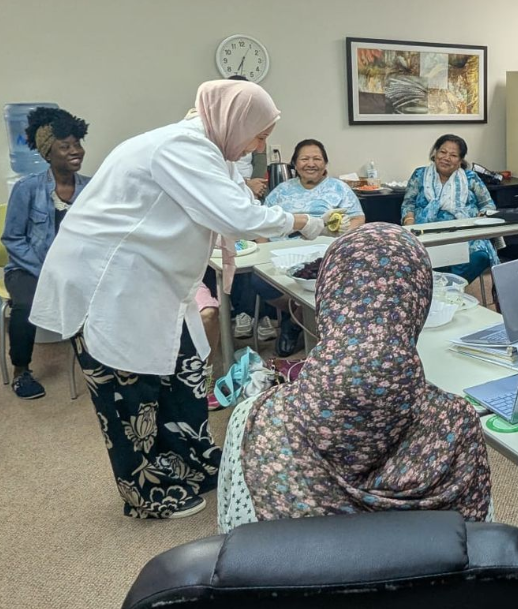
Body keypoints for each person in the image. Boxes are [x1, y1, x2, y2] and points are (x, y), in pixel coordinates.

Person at [30, 80, 326, 519]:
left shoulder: (210, 151)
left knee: (185, 371)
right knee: (128, 392)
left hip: (154, 282)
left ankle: (194, 462)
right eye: (259, 133)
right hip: (109, 284)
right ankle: (148, 494)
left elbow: (234, 198)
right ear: (234, 121)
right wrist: (301, 220)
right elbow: (237, 216)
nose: (260, 145)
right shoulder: (180, 146)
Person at [218, 224, 491, 533]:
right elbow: (482, 543)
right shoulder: (458, 423)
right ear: (419, 302)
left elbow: (233, 547)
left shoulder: (254, 421)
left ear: (326, 297)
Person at [2, 107, 91, 399]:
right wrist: (46, 270)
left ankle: (104, 362)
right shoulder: (27, 189)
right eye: (65, 146)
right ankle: (21, 370)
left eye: (77, 143)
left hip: (75, 268)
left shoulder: (91, 188)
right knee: (26, 304)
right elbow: (12, 238)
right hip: (29, 268)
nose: (75, 151)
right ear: (47, 153)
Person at [250, 138, 365, 356]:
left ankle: (294, 323)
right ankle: (298, 314)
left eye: (316, 159)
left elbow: (358, 219)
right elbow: (262, 224)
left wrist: (343, 234)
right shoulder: (281, 191)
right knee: (259, 280)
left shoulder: (339, 188)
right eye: (304, 158)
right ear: (294, 163)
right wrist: (262, 253)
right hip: (283, 253)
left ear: (325, 163)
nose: (310, 163)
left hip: (326, 253)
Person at [402, 134, 498, 283]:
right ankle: (446, 286)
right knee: (420, 257)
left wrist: (482, 216)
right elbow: (408, 203)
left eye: (453, 155)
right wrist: (409, 222)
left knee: (480, 256)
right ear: (435, 153)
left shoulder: (470, 177)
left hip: (465, 233)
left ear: (460, 161)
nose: (446, 158)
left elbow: (488, 204)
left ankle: (451, 286)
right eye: (442, 152)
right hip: (426, 232)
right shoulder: (420, 174)